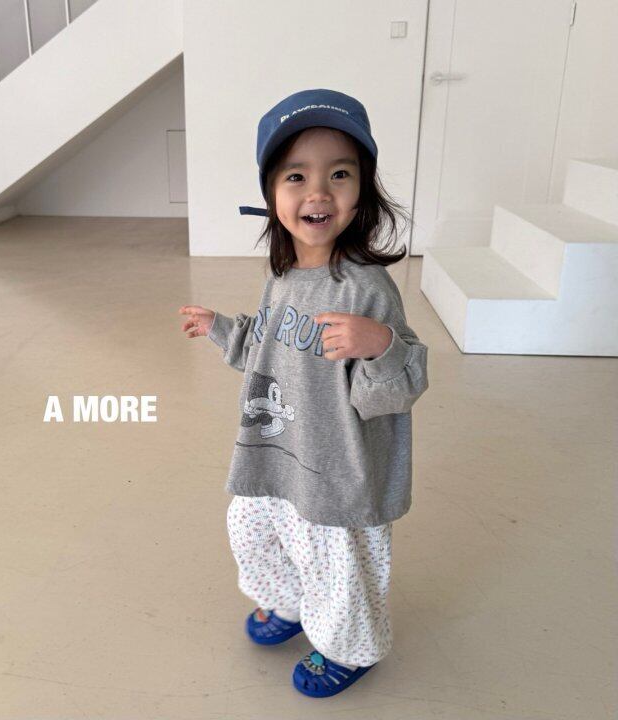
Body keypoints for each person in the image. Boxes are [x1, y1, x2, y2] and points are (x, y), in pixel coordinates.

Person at [178, 88, 429, 698]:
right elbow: (269, 343)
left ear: (363, 191)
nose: (318, 192)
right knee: (255, 530)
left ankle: (348, 647)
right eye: (297, 176)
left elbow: (400, 387)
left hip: (335, 467)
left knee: (336, 562)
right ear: (272, 195)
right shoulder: (284, 274)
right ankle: (288, 602)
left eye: (339, 174)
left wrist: (380, 345)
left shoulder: (367, 289)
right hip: (274, 452)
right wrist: (221, 329)